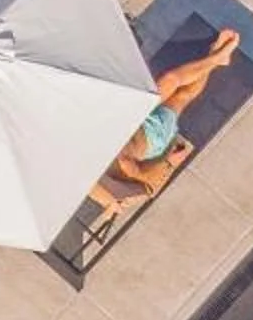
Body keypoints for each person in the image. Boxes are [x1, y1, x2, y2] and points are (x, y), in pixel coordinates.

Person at [90, 27, 244, 217]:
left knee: (178, 88)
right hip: (152, 134)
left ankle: (216, 58)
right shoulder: (87, 175)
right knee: (177, 89)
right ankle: (216, 57)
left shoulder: (83, 157)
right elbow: (129, 175)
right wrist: (139, 172)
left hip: (137, 121)